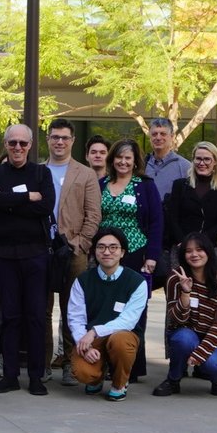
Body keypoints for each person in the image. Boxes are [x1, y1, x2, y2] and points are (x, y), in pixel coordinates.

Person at [0, 124, 56, 396]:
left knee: (35, 316)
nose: (17, 148)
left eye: (22, 143)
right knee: (10, 317)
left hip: (35, 255)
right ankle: (10, 375)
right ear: (5, 144)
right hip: (3, 256)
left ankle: (35, 376)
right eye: (12, 143)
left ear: (31, 145)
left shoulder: (41, 173)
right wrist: (26, 198)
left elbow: (45, 206)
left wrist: (6, 201)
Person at [44, 118, 103, 387]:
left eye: (64, 138)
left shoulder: (85, 173)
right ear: (48, 139)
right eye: (55, 137)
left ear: (72, 141)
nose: (59, 142)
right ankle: (42, 363)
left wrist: (79, 244)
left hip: (74, 251)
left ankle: (69, 362)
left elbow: (93, 215)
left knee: (72, 310)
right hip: (42, 250)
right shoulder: (38, 171)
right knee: (42, 309)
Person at [97, 138, 162, 381]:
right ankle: (105, 362)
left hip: (135, 253)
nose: (123, 162)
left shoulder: (144, 186)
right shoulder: (101, 183)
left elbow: (156, 222)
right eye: (119, 157)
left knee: (134, 310)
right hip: (104, 254)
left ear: (135, 162)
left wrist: (152, 257)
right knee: (105, 307)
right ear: (112, 159)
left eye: (128, 158)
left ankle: (131, 366)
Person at [66, 228, 148, 401]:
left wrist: (94, 331)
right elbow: (75, 318)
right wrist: (85, 344)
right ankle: (96, 377)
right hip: (91, 339)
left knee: (120, 341)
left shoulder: (137, 282)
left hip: (122, 335)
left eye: (113, 247)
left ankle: (119, 383)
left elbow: (128, 320)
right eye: (101, 247)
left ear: (122, 252)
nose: (107, 252)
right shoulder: (83, 281)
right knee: (83, 373)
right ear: (94, 251)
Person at [153, 232, 217, 397]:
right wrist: (185, 293)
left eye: (199, 250)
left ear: (208, 252)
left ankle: (216, 377)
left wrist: (200, 354)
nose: (194, 255)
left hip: (214, 335)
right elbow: (176, 320)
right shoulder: (174, 278)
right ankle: (173, 379)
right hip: (185, 331)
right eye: (189, 251)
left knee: (212, 364)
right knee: (182, 339)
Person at [166, 141, 217, 250]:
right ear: (193, 160)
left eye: (207, 159)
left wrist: (199, 243)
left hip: (209, 247)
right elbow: (173, 219)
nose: (202, 163)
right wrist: (184, 242)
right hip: (181, 247)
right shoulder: (180, 185)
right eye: (198, 159)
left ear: (215, 161)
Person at [144, 118, 190, 199]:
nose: (158, 138)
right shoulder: (142, 165)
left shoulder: (185, 167)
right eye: (154, 134)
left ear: (172, 137)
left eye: (163, 134)